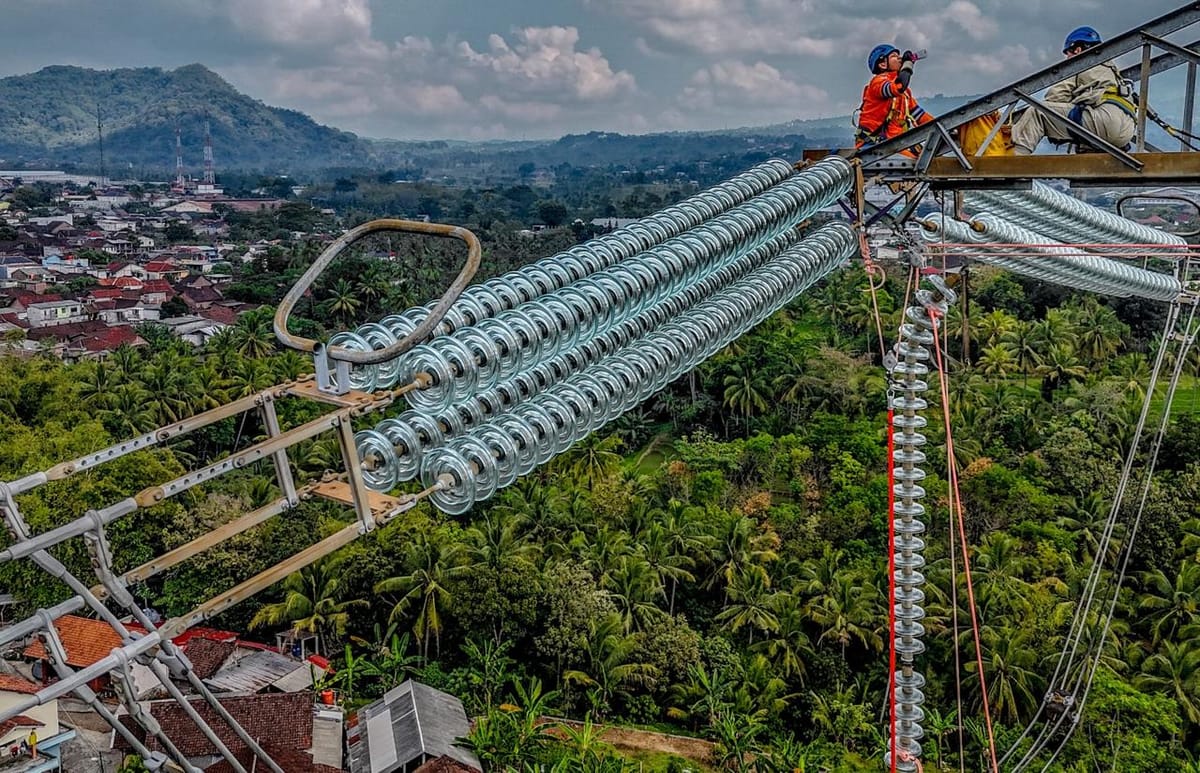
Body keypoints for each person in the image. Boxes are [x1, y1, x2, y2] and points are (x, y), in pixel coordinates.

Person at [1011, 26, 1136, 154]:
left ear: (1077, 50)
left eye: (1068, 54)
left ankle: (1014, 160)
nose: (1067, 59)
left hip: (1104, 122)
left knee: (1038, 112)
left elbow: (1055, 97)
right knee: (1086, 137)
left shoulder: (1081, 62)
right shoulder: (1112, 71)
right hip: (1126, 132)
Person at [855, 44, 934, 153]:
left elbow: (920, 116)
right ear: (883, 64)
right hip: (875, 145)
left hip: (896, 144)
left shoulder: (906, 94)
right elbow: (898, 86)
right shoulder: (877, 83)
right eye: (894, 56)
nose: (899, 58)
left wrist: (942, 127)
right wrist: (908, 64)